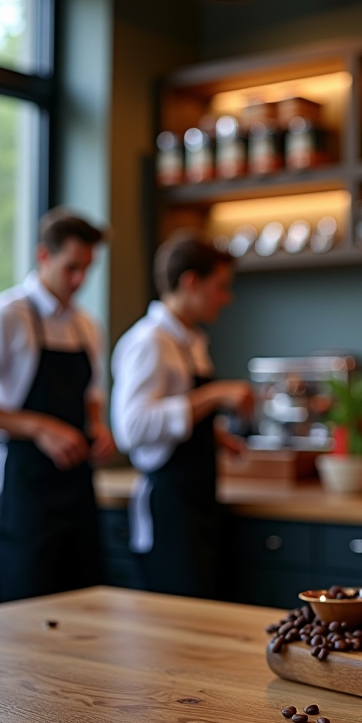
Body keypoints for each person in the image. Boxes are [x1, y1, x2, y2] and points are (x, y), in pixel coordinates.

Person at [0, 208, 113, 602]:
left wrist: (97, 426)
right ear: (43, 256)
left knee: (86, 607)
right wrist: (41, 427)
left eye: (87, 269)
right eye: (71, 267)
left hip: (79, 488)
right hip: (27, 493)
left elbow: (91, 392)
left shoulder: (86, 325)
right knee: (26, 611)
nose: (79, 280)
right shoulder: (4, 317)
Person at [111, 231, 253, 599]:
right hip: (170, 508)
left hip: (199, 500)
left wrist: (217, 436)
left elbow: (179, 416)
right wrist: (215, 395)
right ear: (190, 282)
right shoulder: (149, 343)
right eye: (220, 287)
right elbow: (131, 428)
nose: (227, 298)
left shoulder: (191, 342)